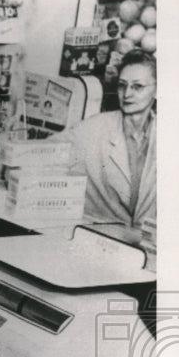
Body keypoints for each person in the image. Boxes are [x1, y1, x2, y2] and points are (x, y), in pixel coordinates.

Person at [59, 49, 156, 228]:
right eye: (122, 85)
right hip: (102, 241)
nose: (127, 94)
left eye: (138, 86)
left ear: (158, 91)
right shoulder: (94, 128)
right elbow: (42, 153)